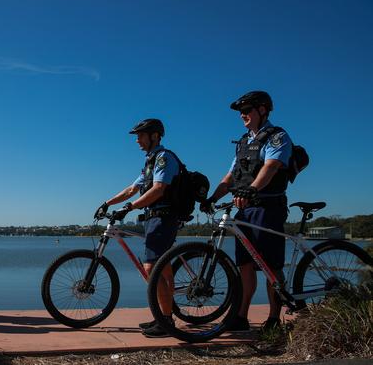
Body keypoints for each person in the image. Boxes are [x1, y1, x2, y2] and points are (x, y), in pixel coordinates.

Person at [201, 91, 292, 332]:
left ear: (263, 110)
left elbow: (271, 167)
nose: (243, 115)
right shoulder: (244, 142)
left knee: (271, 267)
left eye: (248, 110)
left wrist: (251, 190)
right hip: (244, 208)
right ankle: (241, 316)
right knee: (245, 266)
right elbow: (230, 176)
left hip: (267, 208)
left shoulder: (277, 137)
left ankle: (274, 317)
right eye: (241, 112)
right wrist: (213, 197)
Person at [94, 118, 182, 337]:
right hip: (154, 218)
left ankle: (166, 322)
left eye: (140, 136)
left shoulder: (164, 158)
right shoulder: (150, 162)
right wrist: (108, 203)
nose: (137, 141)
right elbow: (132, 189)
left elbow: (159, 189)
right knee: (162, 268)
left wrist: (129, 208)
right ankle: (162, 315)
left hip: (164, 217)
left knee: (152, 267)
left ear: (154, 136)